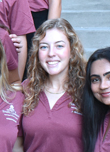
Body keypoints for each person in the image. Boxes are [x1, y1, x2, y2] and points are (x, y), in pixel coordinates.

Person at [20, 18, 86, 151]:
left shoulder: (87, 91)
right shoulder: (25, 90)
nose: (51, 53)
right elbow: (17, 145)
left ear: (72, 51)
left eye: (59, 46)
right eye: (44, 47)